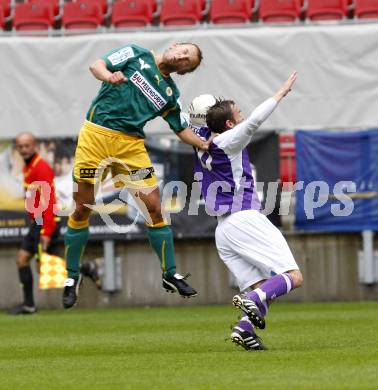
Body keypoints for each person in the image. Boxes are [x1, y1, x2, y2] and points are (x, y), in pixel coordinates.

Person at [63, 42, 209, 309]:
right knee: (82, 209)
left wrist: (205, 145)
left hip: (130, 147)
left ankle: (169, 273)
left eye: (188, 61)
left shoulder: (169, 94)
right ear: (175, 45)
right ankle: (72, 277)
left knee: (155, 208)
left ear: (184, 70)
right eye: (184, 51)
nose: (182, 57)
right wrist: (109, 76)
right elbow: (96, 65)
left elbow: (180, 128)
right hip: (95, 137)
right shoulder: (135, 53)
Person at [190, 72, 303, 350]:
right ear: (227, 123)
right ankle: (251, 303)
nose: (241, 113)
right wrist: (280, 93)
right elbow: (254, 121)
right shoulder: (229, 140)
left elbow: (182, 119)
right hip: (244, 218)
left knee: (264, 286)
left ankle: (244, 329)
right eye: (236, 112)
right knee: (292, 276)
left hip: (224, 230)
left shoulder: (199, 137)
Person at [8, 133, 60, 315]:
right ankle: (29, 305)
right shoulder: (28, 167)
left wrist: (47, 231)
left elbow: (49, 202)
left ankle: (88, 269)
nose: (23, 149)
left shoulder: (41, 168)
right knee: (21, 260)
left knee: (46, 271)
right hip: (35, 222)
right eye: (20, 146)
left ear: (35, 146)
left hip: (44, 223)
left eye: (27, 146)